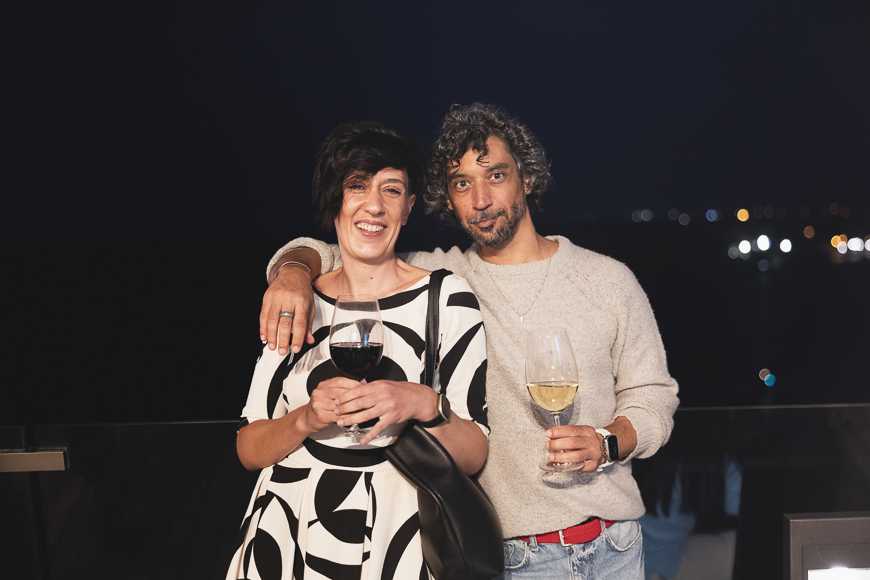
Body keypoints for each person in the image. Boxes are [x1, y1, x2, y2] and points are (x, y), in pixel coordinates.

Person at [258, 103, 679, 579]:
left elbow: (654, 397)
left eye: (496, 176)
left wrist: (608, 443)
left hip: (615, 545)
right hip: (508, 556)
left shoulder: (608, 279)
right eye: (461, 184)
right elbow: (344, 250)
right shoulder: (442, 278)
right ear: (447, 199)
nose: (480, 199)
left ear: (527, 178)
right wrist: (292, 272)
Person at [226, 121, 489, 580]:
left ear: (408, 208)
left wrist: (423, 403)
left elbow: (474, 454)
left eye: (392, 190)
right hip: (289, 530)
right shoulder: (297, 300)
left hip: (398, 533)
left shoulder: (446, 298)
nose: (374, 205)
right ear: (335, 200)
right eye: (357, 186)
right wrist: (306, 418)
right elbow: (249, 448)